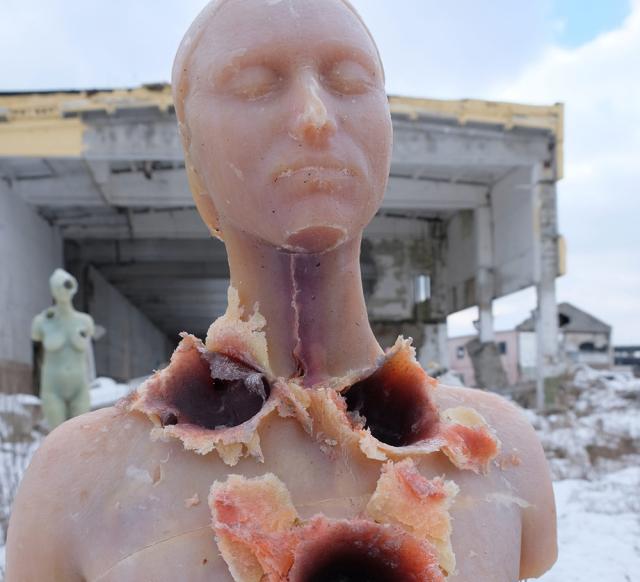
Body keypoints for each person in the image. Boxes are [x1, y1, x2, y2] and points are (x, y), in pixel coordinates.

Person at [6, 1, 557, 580]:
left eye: (350, 82)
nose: (315, 116)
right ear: (193, 158)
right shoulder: (78, 482)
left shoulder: (504, 456)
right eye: (252, 85)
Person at [30, 268, 95, 429]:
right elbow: (36, 347)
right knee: (56, 436)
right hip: (52, 388)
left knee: (80, 435)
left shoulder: (85, 321)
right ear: (52, 290)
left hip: (79, 386)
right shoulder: (42, 322)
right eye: (58, 287)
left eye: (66, 285)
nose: (63, 291)